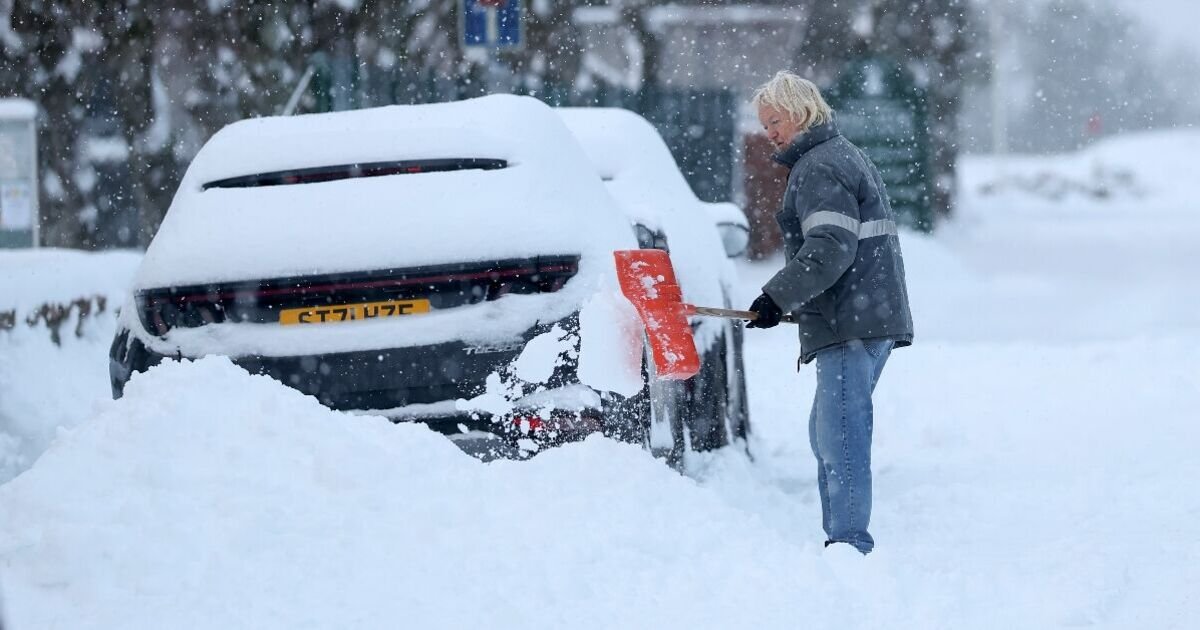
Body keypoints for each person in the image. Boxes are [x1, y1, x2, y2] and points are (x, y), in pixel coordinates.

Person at [745, 70, 914, 555]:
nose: (769, 133)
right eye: (764, 124)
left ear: (799, 112)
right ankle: (843, 539)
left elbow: (830, 246)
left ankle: (848, 545)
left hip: (850, 322)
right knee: (828, 431)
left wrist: (777, 296)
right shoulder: (837, 155)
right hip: (865, 316)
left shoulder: (820, 165)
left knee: (840, 435)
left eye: (774, 121)